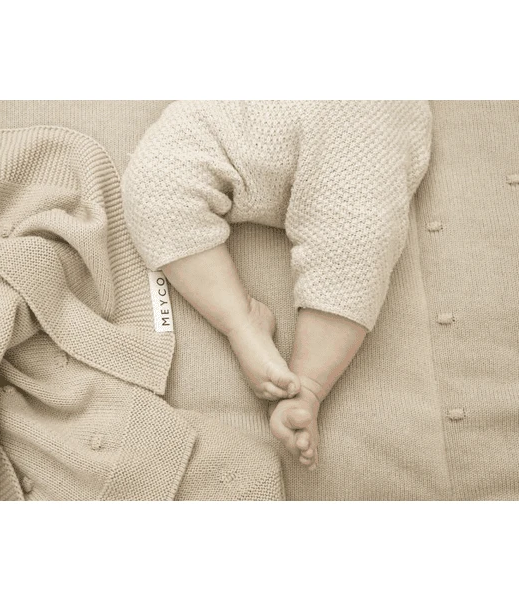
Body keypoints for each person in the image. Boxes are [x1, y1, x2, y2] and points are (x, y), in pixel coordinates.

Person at [121, 100, 432, 470]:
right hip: (253, 113)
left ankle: (307, 384)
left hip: (357, 115)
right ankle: (240, 320)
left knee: (356, 235)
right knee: (154, 181)